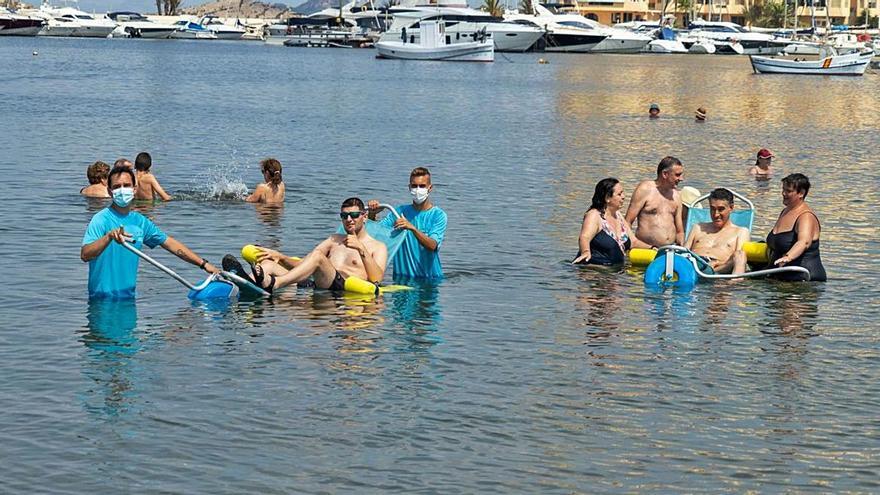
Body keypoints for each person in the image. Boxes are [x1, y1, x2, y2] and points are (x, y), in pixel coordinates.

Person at [81, 166, 218, 299]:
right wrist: (109, 237)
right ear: (110, 192)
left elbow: (170, 244)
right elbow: (85, 254)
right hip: (100, 300)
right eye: (117, 187)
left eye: (126, 185)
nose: (122, 190)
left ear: (134, 189)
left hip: (128, 299)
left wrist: (203, 264)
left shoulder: (140, 222)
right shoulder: (100, 219)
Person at [225, 197, 387, 292]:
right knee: (268, 263)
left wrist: (361, 248)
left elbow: (377, 279)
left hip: (343, 289)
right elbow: (306, 264)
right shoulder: (334, 239)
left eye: (353, 215)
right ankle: (244, 284)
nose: (349, 219)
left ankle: (275, 284)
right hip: (318, 284)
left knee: (318, 256)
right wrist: (279, 257)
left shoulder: (377, 247)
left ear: (364, 217)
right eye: (344, 216)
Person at [367, 167, 447, 279]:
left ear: (430, 188)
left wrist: (412, 228)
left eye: (422, 186)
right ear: (409, 188)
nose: (418, 189)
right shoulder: (398, 212)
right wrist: (372, 214)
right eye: (414, 186)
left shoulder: (438, 215)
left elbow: (433, 245)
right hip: (401, 279)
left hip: (429, 280)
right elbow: (374, 236)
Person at [766, 173, 826, 281]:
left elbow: (804, 242)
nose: (783, 193)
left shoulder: (806, 216)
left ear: (801, 193)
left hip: (804, 278)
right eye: (783, 189)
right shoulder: (785, 211)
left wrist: (788, 257)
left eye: (788, 191)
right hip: (780, 277)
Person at [625, 156, 685, 249]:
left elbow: (680, 231)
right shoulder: (645, 189)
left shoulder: (676, 196)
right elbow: (627, 222)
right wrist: (630, 243)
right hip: (646, 249)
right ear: (665, 174)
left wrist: (681, 247)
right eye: (677, 175)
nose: (681, 179)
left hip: (669, 249)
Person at [684, 188, 748, 274]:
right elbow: (683, 252)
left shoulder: (740, 232)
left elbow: (737, 260)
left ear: (731, 207)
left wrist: (716, 266)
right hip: (692, 268)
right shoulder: (698, 227)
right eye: (712, 209)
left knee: (740, 254)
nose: (716, 214)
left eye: (721, 209)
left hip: (717, 271)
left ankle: (735, 285)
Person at [572, 178, 632, 265]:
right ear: (607, 198)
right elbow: (584, 237)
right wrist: (585, 251)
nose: (624, 196)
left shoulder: (618, 215)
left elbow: (634, 242)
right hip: (593, 271)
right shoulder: (594, 215)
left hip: (614, 274)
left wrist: (653, 248)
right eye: (619, 194)